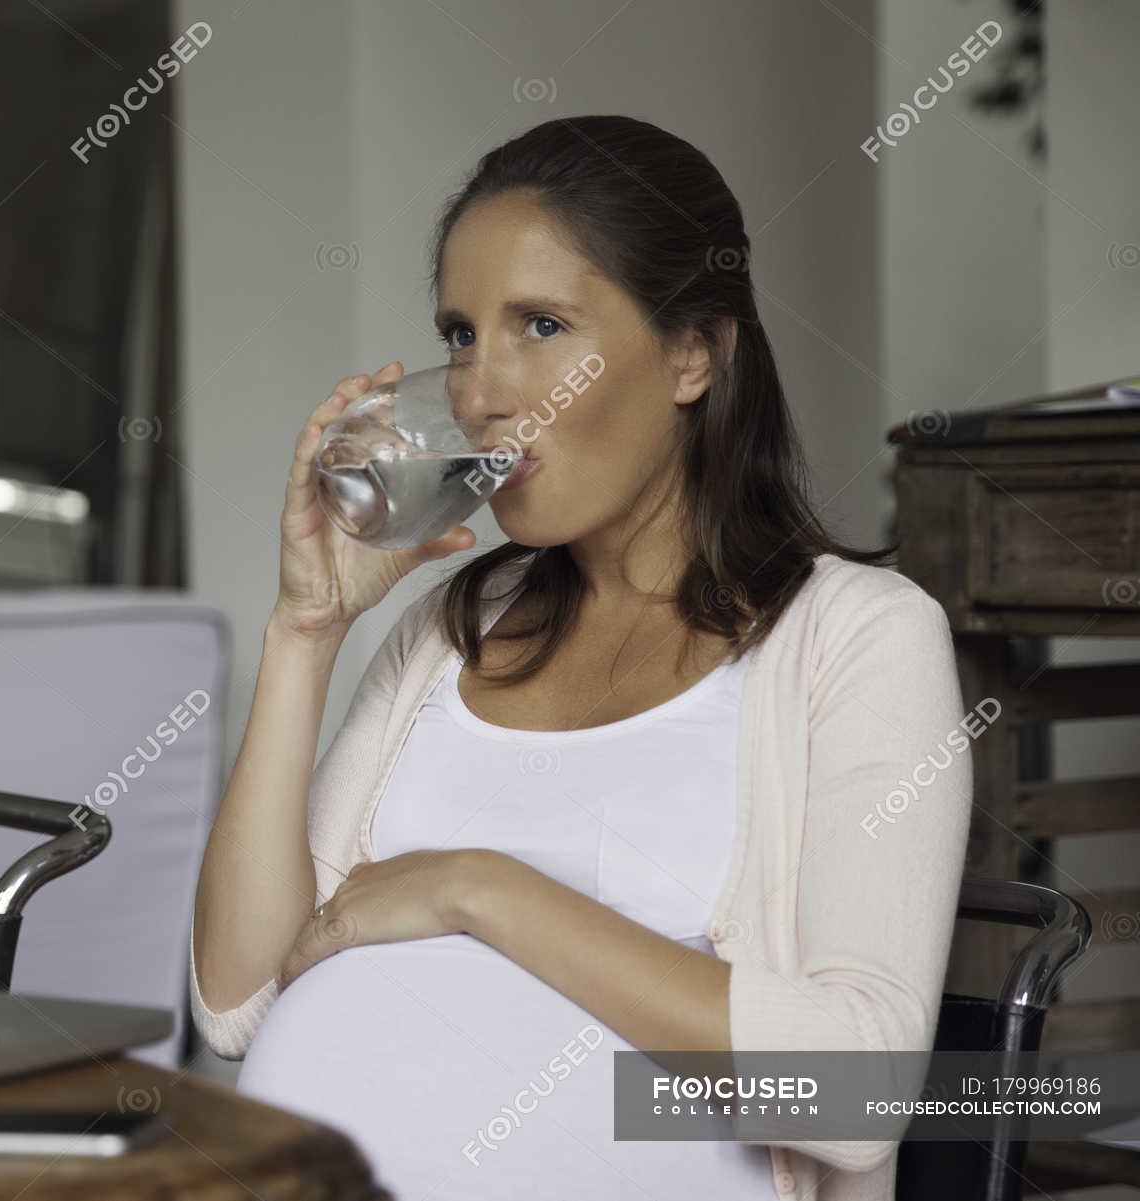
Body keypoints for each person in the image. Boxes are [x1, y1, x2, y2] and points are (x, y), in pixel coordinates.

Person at [188, 114, 972, 1201]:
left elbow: (853, 1090)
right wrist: (305, 630)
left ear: (695, 353)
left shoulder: (860, 637)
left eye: (541, 325)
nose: (480, 392)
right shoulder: (447, 631)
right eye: (461, 334)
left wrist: (479, 890)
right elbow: (237, 1003)